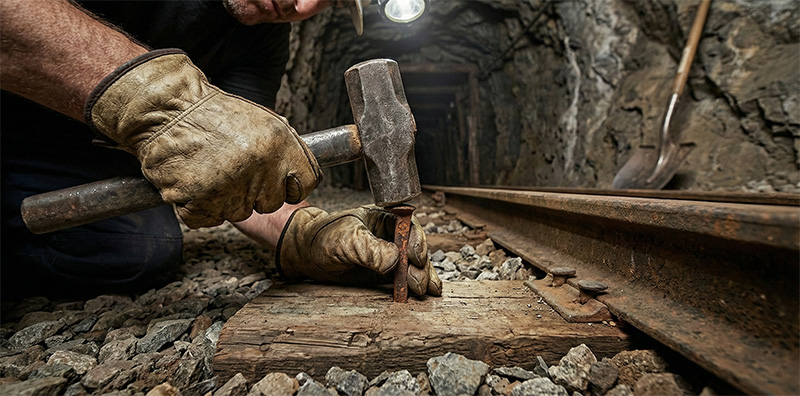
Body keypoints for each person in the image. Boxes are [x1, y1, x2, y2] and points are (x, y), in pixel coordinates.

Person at [0, 0, 441, 299]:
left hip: (95, 158)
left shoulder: (263, 37)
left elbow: (243, 165)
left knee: (140, 250)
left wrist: (304, 233)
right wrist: (156, 100)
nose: (302, 5)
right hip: (15, 121)